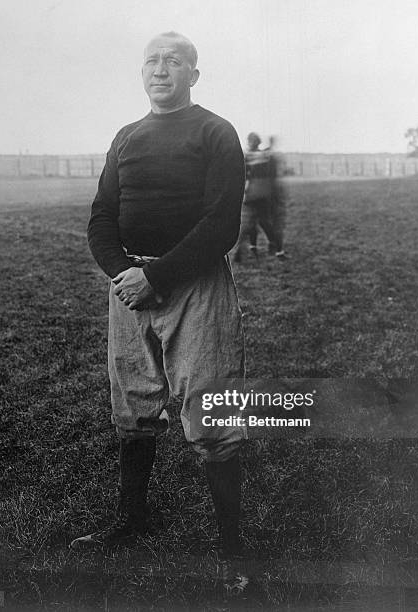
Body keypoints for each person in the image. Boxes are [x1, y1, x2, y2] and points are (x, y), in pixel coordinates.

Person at [70, 32, 248, 592]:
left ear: (194, 74)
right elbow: (101, 216)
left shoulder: (215, 132)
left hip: (194, 285)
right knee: (132, 406)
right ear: (141, 72)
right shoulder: (125, 137)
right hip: (128, 288)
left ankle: (234, 552)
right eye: (152, 61)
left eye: (174, 61)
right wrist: (122, 274)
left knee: (211, 412)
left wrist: (157, 275)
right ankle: (131, 520)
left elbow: (222, 224)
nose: (161, 69)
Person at [233, 133, 287, 262]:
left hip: (250, 193)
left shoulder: (246, 156)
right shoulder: (264, 155)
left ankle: (243, 248)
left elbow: (243, 173)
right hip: (263, 194)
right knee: (264, 221)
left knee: (250, 223)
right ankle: (275, 247)